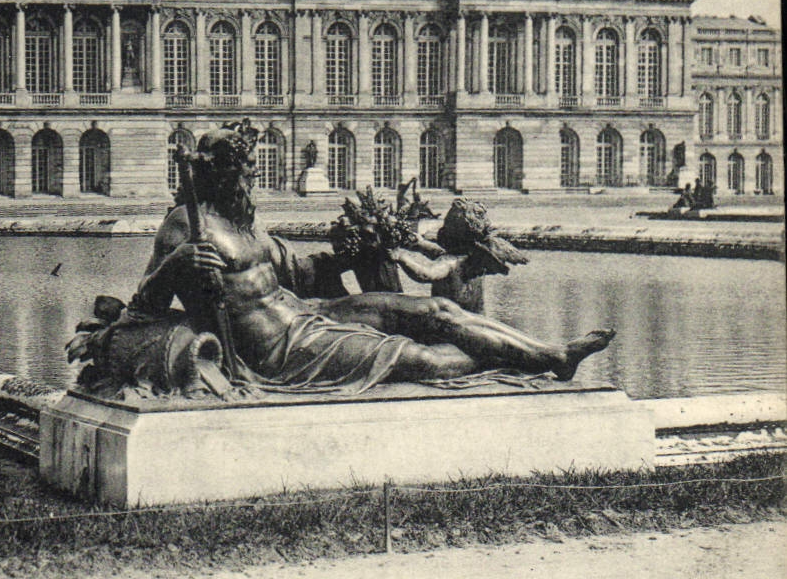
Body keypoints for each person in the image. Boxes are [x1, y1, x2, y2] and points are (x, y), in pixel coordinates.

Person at [130, 121, 613, 392]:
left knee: (437, 310)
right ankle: (521, 362)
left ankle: (552, 354)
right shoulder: (184, 225)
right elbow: (143, 308)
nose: (251, 181)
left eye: (253, 172)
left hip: (307, 315)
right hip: (276, 350)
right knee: (415, 358)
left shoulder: (247, 224)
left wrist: (355, 250)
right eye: (245, 173)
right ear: (218, 175)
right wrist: (177, 265)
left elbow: (299, 272)